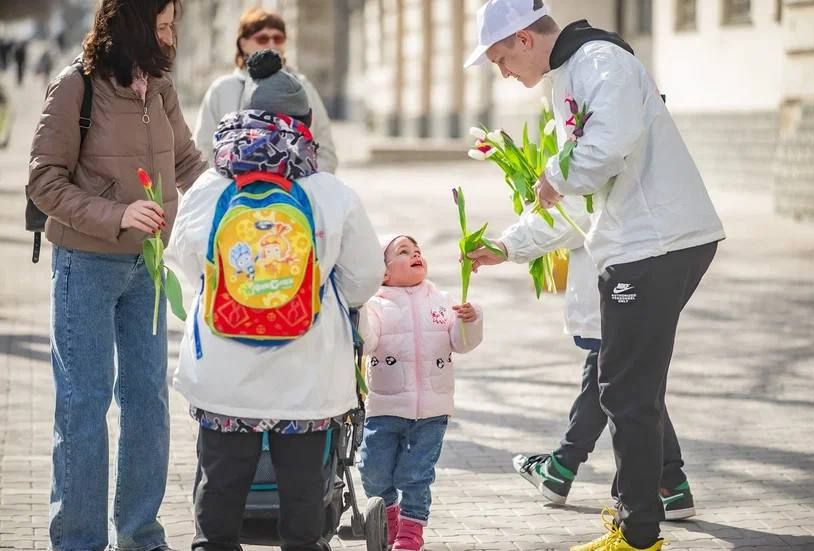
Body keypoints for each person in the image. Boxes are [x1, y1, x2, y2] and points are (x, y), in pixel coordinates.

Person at [464, 1, 725, 550]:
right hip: (648, 242)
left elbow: (606, 144)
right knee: (632, 388)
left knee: (624, 392)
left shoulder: (598, 60)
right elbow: (581, 207)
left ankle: (637, 534)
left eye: (501, 58)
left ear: (524, 39)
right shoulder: (570, 73)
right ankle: (647, 513)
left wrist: (556, 174)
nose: (503, 72)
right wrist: (508, 246)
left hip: (654, 243)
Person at [167, 49, 384, 551]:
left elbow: (185, 262)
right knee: (304, 501)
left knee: (219, 494)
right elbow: (365, 278)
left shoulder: (209, 187)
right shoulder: (331, 192)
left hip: (223, 374)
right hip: (307, 377)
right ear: (305, 124)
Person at [27, 1, 207, 549]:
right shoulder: (75, 87)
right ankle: (79, 540)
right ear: (132, 23)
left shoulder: (160, 87)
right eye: (163, 25)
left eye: (173, 25)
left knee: (149, 402)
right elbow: (44, 181)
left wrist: (240, 197)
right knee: (84, 404)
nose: (171, 37)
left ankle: (140, 535)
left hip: (147, 267)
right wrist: (118, 214)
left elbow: (187, 162)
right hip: (85, 264)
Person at [467, 198, 696, 521]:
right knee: (633, 379)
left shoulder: (588, 168)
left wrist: (509, 243)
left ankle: (565, 468)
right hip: (642, 264)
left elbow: (572, 215)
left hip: (619, 277)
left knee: (615, 377)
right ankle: (667, 481)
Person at [357, 234, 484, 551]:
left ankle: (411, 532)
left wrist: (471, 320)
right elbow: (367, 343)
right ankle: (389, 517)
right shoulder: (376, 305)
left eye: (417, 250)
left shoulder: (441, 300)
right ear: (384, 272)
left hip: (431, 410)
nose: (415, 254)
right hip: (384, 407)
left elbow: (462, 343)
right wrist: (357, 311)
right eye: (403, 251)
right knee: (373, 471)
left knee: (416, 475)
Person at [194, 7, 337, 173]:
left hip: (297, 187)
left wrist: (304, 183)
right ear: (243, 43)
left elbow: (326, 151)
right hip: (233, 186)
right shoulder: (221, 89)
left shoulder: (302, 86)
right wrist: (228, 183)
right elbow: (202, 150)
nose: (271, 45)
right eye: (262, 39)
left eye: (278, 38)